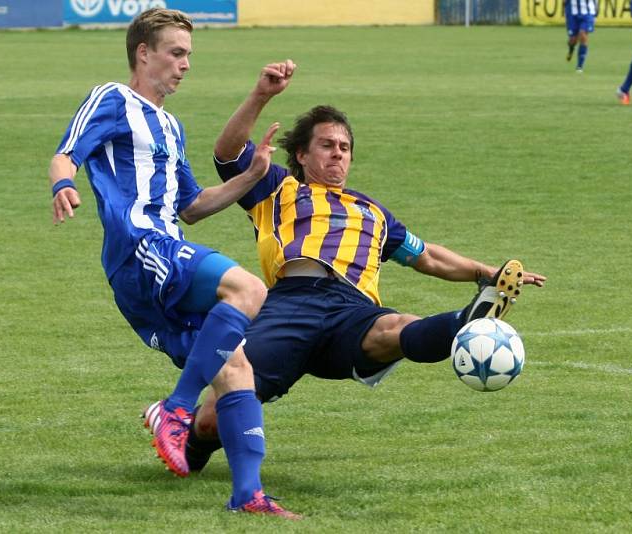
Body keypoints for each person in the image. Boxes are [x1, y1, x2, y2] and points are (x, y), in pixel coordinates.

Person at [182, 61, 547, 471]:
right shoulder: (276, 186)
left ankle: (467, 322)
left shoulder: (374, 213)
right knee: (213, 418)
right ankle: (191, 450)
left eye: (344, 147)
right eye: (326, 145)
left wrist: (488, 273)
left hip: (351, 311)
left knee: (397, 327)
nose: (338, 152)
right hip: (289, 304)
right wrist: (262, 95)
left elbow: (427, 256)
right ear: (301, 154)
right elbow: (227, 152)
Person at [48, 9, 300, 519]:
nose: (185, 65)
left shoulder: (170, 126)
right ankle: (178, 408)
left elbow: (192, 206)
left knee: (235, 366)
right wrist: (64, 184)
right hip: (142, 246)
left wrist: (250, 176)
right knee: (249, 290)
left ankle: (247, 494)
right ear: (144, 53)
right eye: (176, 53)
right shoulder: (113, 99)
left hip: (158, 256)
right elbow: (65, 154)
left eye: (189, 55)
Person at [564, 0, 597, 73]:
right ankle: (571, 49)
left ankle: (579, 65)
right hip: (572, 11)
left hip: (588, 11)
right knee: (573, 39)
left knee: (583, 34)